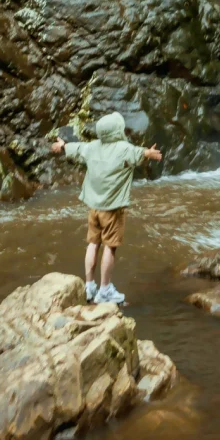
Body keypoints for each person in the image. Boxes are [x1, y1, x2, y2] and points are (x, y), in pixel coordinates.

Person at [51, 112, 162, 305]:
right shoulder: (123, 148)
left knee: (93, 244)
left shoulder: (92, 147)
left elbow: (76, 148)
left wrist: (62, 146)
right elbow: (138, 153)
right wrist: (149, 153)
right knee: (110, 247)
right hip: (112, 209)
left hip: (94, 207)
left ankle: (89, 286)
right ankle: (104, 290)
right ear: (118, 130)